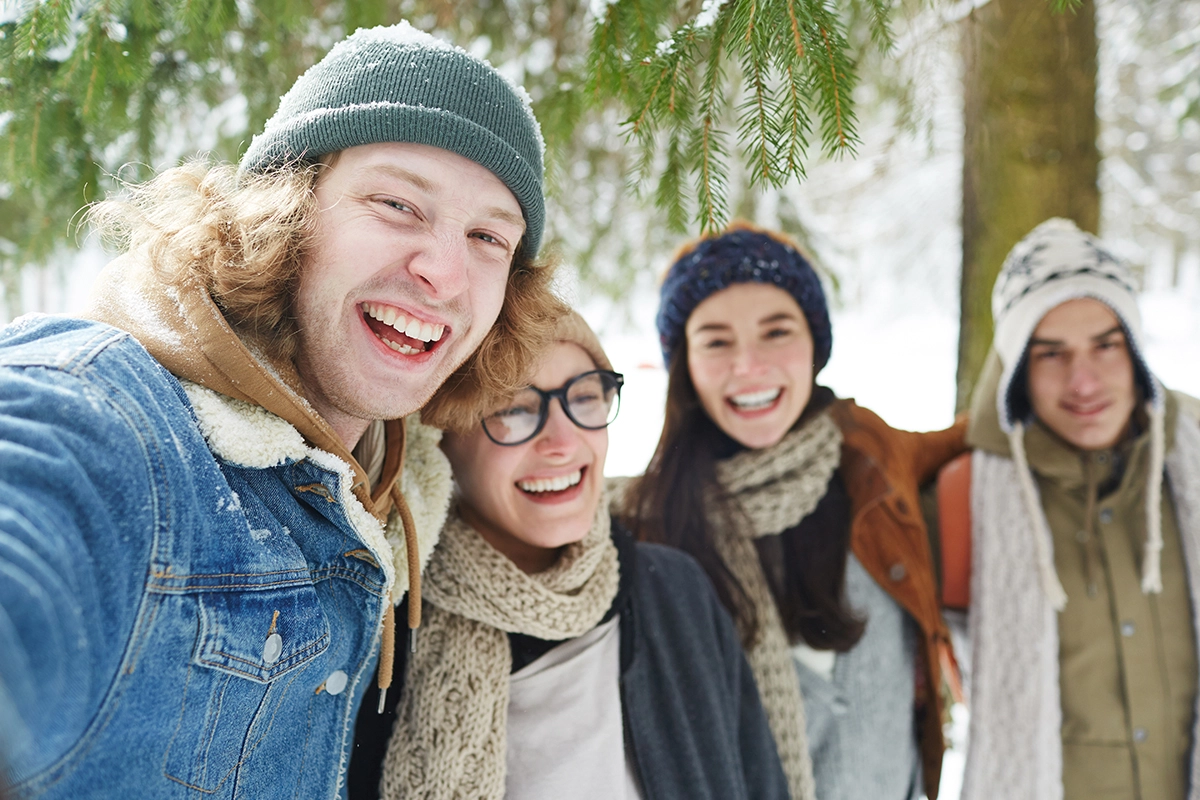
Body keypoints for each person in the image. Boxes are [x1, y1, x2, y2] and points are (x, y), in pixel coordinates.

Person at [0, 22, 565, 798]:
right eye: (397, 203)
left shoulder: (397, 499)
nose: (444, 273)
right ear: (285, 208)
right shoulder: (112, 423)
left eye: (487, 237)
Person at [348, 311, 790, 800]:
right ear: (439, 436)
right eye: (513, 409)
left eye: (584, 397)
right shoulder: (383, 627)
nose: (562, 443)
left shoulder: (675, 593)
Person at [621, 222, 967, 800]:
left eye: (776, 332)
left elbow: (980, 435)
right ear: (685, 363)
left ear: (815, 344)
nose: (749, 366)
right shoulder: (650, 525)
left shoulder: (871, 457)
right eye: (716, 340)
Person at [938, 218, 1200, 800]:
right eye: (1050, 354)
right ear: (1016, 374)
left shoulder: (1192, 463)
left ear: (1134, 352)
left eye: (1105, 346)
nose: (1084, 382)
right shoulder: (963, 499)